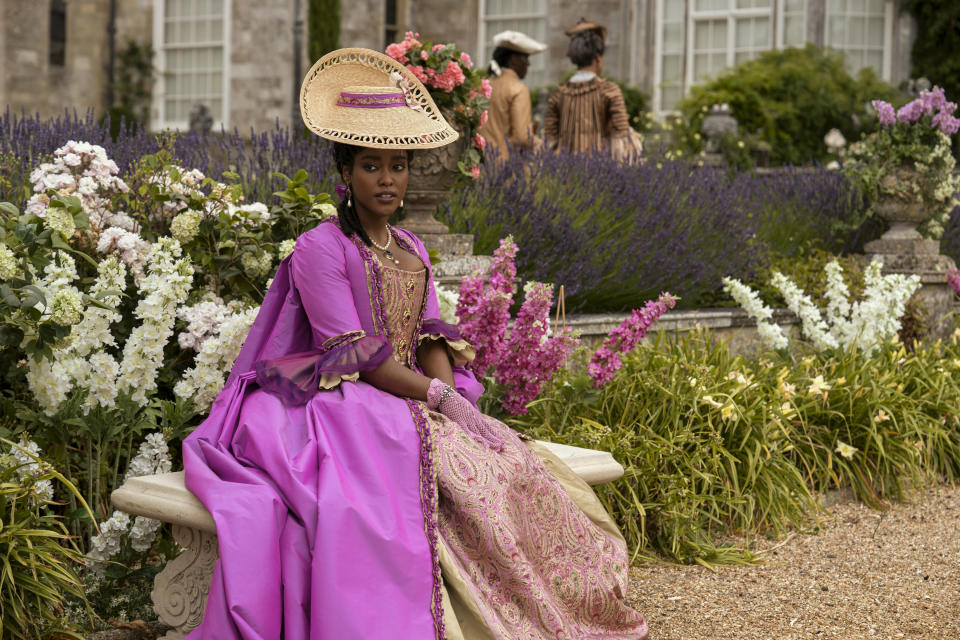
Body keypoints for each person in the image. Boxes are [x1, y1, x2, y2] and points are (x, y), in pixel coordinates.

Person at [182, 47, 649, 639]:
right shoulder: (321, 247)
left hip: (407, 389)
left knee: (504, 462)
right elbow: (352, 350)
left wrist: (453, 397)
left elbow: (431, 333)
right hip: (338, 392)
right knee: (401, 486)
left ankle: (538, 601)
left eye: (397, 166)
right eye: (371, 166)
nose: (387, 179)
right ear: (345, 174)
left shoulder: (412, 247)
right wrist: (436, 400)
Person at [544, 19, 642, 162]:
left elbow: (549, 141)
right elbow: (622, 138)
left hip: (566, 174)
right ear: (598, 58)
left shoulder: (559, 94)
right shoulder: (609, 90)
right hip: (601, 173)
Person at [478, 30, 547, 160]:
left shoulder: (483, 86)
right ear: (513, 59)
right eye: (525, 58)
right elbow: (523, 137)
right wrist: (541, 144)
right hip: (507, 169)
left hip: (480, 165)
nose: (528, 63)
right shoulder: (518, 89)